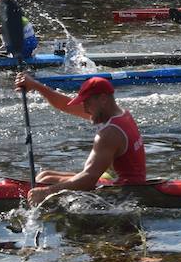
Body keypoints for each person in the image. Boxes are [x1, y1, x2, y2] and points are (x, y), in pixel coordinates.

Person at [13, 75, 146, 205]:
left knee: (46, 182)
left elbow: (88, 179)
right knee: (45, 176)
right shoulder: (120, 114)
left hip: (123, 193)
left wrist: (46, 192)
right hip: (113, 180)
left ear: (103, 99)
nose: (84, 109)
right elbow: (66, 105)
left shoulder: (110, 133)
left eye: (87, 103)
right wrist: (36, 86)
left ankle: (30, 199)